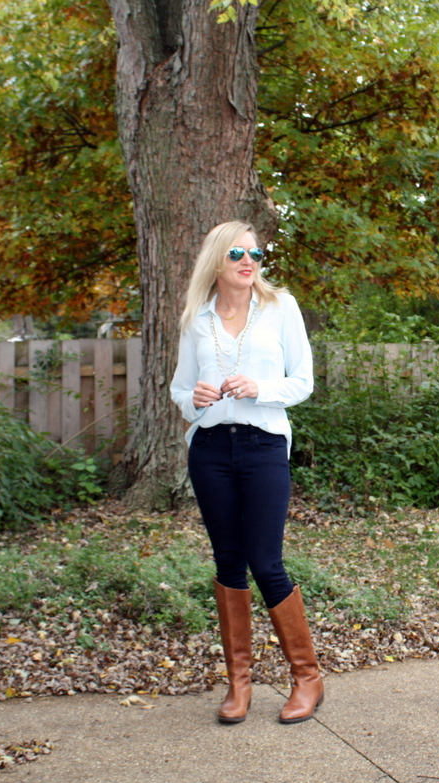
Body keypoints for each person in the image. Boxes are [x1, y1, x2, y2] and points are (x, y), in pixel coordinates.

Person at [170, 220, 324, 725]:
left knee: (265, 560)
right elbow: (179, 389)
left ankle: (307, 678)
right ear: (217, 259)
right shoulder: (197, 318)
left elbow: (302, 381)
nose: (249, 260)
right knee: (228, 563)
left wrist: (260, 388)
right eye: (238, 252)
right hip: (210, 449)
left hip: (262, 446)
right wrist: (193, 401)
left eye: (257, 253)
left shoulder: (281, 308)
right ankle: (240, 685)